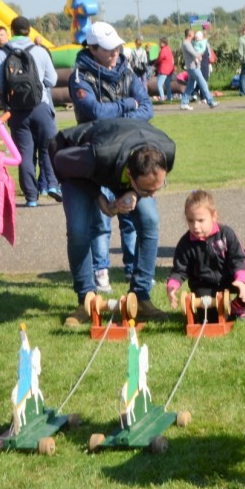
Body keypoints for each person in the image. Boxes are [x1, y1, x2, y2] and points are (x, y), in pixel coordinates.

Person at [51, 117, 174, 326]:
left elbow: (148, 185)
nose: (153, 195)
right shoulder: (96, 156)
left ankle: (141, 297)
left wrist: (137, 193)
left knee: (150, 219)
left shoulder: (168, 150)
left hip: (118, 161)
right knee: (79, 229)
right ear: (130, 175)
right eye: (147, 190)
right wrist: (99, 197)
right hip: (77, 165)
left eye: (158, 187)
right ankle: (85, 301)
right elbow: (59, 160)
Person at [69, 21, 154, 292]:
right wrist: (128, 105)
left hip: (128, 154)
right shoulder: (80, 76)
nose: (115, 52)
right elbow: (94, 113)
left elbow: (148, 108)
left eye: (117, 46)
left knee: (133, 216)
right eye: (108, 48)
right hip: (98, 154)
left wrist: (120, 114)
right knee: (101, 219)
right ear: (92, 48)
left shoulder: (126, 70)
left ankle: (133, 270)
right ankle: (100, 271)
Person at [165, 189, 245, 321]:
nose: (196, 226)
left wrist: (241, 281)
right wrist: (172, 286)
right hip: (204, 286)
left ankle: (237, 307)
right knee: (212, 319)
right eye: (190, 221)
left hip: (229, 279)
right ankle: (221, 313)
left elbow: (238, 259)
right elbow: (179, 270)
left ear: (214, 217)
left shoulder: (226, 234)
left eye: (201, 220)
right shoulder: (185, 243)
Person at [0, 16, 61, 207]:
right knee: (48, 146)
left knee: (24, 152)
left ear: (11, 31)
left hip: (16, 110)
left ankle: (31, 196)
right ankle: (52, 184)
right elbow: (52, 81)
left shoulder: (3, 53)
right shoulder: (39, 51)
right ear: (30, 31)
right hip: (41, 106)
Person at [179, 28, 217, 110]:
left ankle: (184, 103)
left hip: (192, 67)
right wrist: (200, 54)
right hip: (193, 67)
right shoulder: (186, 43)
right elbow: (193, 53)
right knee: (203, 83)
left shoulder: (188, 43)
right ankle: (211, 102)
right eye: (193, 34)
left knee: (190, 86)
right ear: (189, 35)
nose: (194, 35)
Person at [153, 36, 174, 102]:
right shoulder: (168, 49)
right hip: (170, 69)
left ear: (163, 43)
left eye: (160, 42)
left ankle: (162, 98)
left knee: (159, 84)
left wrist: (154, 64)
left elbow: (160, 59)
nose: (159, 43)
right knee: (167, 84)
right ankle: (169, 97)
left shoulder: (163, 50)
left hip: (164, 69)